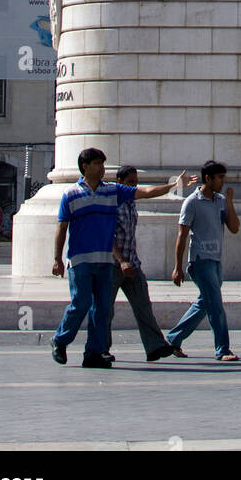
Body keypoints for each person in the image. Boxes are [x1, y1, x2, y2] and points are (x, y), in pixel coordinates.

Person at [51, 148, 182, 368]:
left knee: (102, 309)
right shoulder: (71, 194)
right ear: (85, 166)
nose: (103, 169)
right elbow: (61, 228)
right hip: (80, 260)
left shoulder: (112, 191)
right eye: (98, 164)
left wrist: (173, 186)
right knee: (81, 303)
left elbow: (146, 192)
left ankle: (93, 353)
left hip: (104, 261)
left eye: (103, 164)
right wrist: (57, 259)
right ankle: (60, 339)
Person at [108, 164, 197, 363]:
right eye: (131, 183)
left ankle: (154, 346)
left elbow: (147, 193)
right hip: (113, 265)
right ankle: (102, 349)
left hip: (132, 263)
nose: (135, 186)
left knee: (143, 306)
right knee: (106, 310)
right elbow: (107, 237)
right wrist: (121, 261)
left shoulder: (130, 202)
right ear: (120, 182)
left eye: (136, 182)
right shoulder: (111, 202)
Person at [166, 160, 240, 362]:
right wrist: (177, 267)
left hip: (215, 260)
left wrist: (230, 203)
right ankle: (222, 349)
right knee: (215, 305)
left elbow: (234, 228)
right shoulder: (192, 202)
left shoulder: (220, 201)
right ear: (208, 178)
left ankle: (173, 339)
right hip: (200, 261)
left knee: (205, 304)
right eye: (220, 178)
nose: (222, 182)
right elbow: (182, 235)